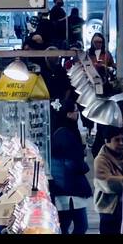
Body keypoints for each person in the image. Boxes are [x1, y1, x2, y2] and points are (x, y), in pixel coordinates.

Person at [49, 99, 93, 235]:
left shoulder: (60, 131)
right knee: (80, 225)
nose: (77, 114)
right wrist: (84, 166)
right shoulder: (66, 134)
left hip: (64, 187)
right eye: (75, 111)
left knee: (65, 225)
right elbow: (72, 162)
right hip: (69, 189)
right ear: (68, 114)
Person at [93, 125, 123, 235]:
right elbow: (108, 184)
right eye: (117, 140)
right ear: (107, 141)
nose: (121, 143)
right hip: (108, 209)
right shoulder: (100, 160)